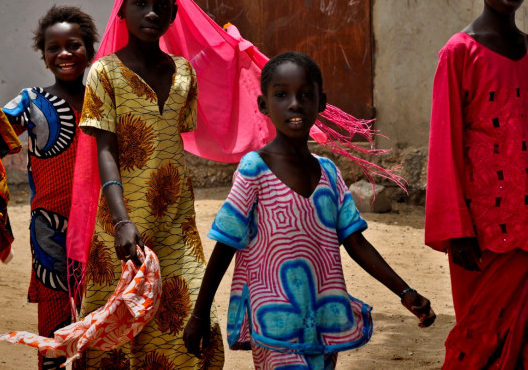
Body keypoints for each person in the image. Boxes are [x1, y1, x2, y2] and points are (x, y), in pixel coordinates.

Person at [183, 51, 436, 369]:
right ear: (264, 105)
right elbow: (226, 245)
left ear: (321, 102)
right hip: (274, 322)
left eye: (305, 95)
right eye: (281, 95)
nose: (294, 104)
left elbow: (356, 242)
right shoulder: (254, 170)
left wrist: (404, 291)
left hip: (322, 322)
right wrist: (200, 313)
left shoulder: (329, 173)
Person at [76, 0, 225, 368]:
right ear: (121, 11)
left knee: (193, 314)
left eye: (162, 6)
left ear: (174, 14)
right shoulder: (105, 74)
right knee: (120, 320)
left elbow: (179, 133)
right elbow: (105, 149)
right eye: (140, 4)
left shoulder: (183, 74)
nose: (152, 13)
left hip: (177, 218)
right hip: (122, 222)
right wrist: (122, 221)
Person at [425, 0, 528, 368]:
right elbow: (445, 146)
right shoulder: (459, 52)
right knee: (482, 339)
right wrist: (456, 229)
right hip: (480, 233)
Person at [2, 5, 98, 370]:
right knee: (56, 323)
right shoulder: (31, 101)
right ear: (43, 57)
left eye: (73, 45)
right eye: (53, 48)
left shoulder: (103, 101)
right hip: (51, 230)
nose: (64, 54)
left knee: (102, 313)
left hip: (100, 227)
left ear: (89, 50)